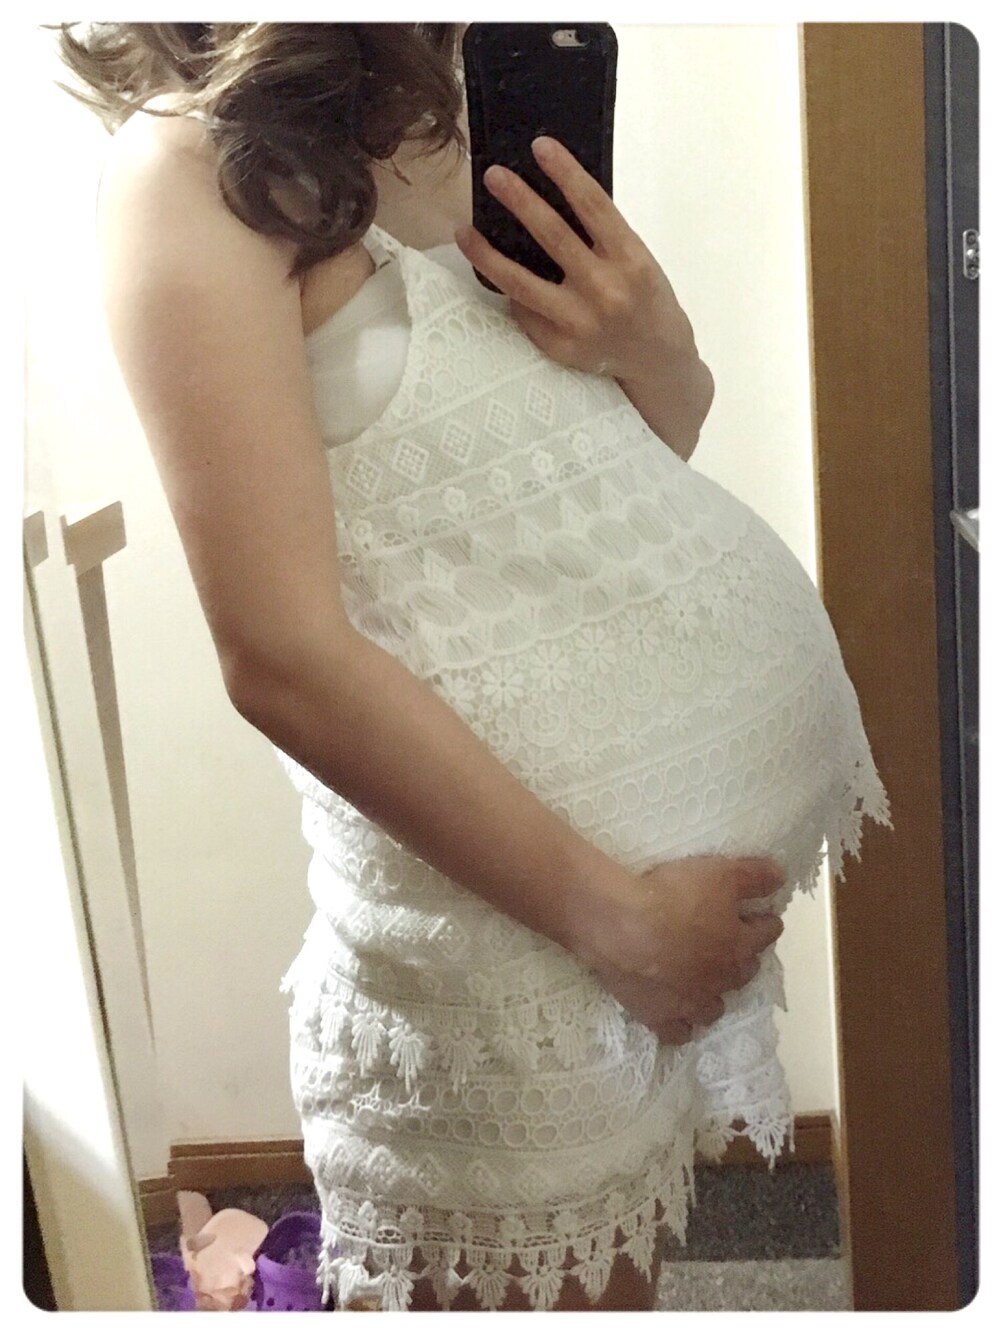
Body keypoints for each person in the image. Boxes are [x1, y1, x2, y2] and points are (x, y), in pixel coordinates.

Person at [55, 22, 891, 1313]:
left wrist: (654, 344)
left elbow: (610, 464)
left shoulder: (455, 99)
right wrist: (619, 923)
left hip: (628, 928)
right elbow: (280, 656)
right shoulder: (188, 170)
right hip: (514, 940)